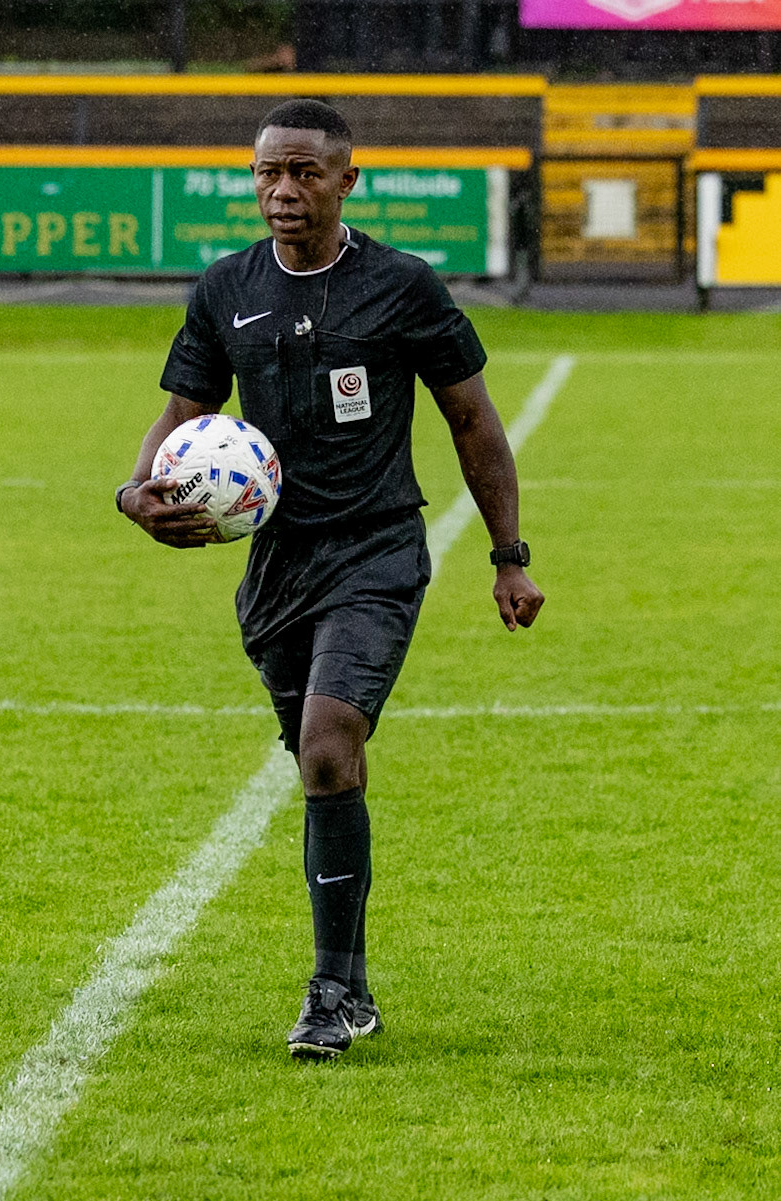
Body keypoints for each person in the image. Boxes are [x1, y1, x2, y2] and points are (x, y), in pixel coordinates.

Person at [117, 99, 544, 1060]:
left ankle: (334, 989)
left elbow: (473, 421)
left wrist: (508, 557)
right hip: (276, 568)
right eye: (269, 173)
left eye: (306, 173)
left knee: (325, 744)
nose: (283, 191)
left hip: (378, 552)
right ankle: (351, 981)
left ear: (348, 181)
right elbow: (183, 415)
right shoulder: (225, 289)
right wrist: (132, 491)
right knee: (320, 771)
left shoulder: (401, 287)